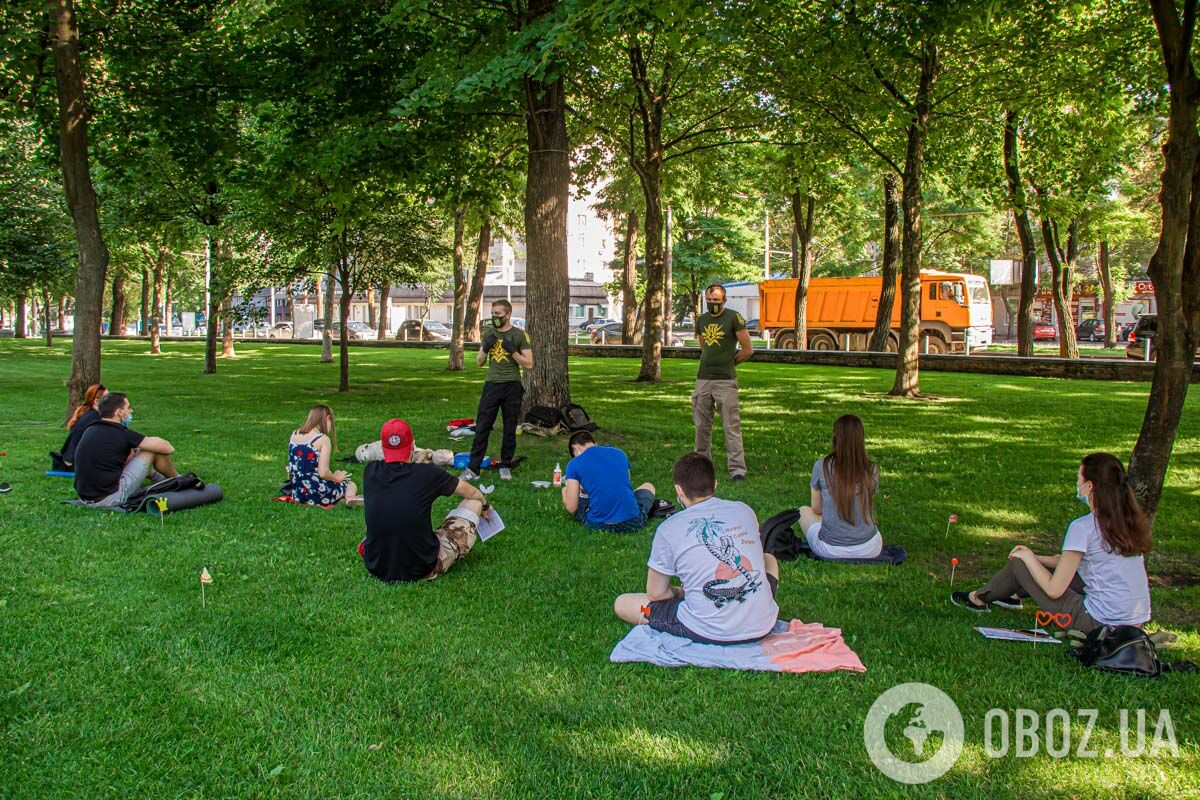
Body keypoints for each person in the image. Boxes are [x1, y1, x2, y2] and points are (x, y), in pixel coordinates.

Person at [951, 453, 1152, 635]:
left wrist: (1028, 558)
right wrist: (1037, 559)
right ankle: (1010, 595)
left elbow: (1054, 590)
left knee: (1020, 563)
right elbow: (1070, 563)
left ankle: (978, 598)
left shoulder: (1083, 527)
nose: (1077, 483)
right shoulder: (1128, 521)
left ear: (1089, 486)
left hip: (1097, 623)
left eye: (1078, 478)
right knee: (1033, 562)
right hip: (1134, 623)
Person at [614, 452, 780, 643]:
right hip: (763, 624)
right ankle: (757, 603)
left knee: (624, 604)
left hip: (705, 629)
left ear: (679, 490)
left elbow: (655, 593)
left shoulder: (668, 529)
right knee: (769, 560)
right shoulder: (744, 510)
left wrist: (679, 593)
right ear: (715, 484)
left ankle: (656, 614)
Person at [361, 418, 495, 582]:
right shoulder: (427, 474)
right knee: (475, 503)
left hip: (377, 565)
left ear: (382, 447)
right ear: (412, 445)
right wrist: (485, 505)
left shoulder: (370, 471)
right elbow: (471, 492)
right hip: (422, 566)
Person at [463, 299, 531, 482]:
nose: (495, 317)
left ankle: (505, 465)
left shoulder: (519, 335)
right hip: (492, 384)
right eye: (493, 314)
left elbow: (529, 363)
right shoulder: (489, 334)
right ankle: (473, 468)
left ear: (508, 315)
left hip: (512, 386)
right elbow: (479, 362)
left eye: (498, 314)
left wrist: (513, 352)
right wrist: (485, 347)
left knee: (510, 427)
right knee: (483, 426)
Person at [799, 415, 884, 560]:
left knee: (803, 511)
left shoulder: (822, 465)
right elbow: (867, 506)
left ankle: (836, 529)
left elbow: (817, 509)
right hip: (870, 548)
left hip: (830, 549)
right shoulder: (872, 468)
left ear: (835, 436)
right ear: (861, 438)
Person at [73, 392, 179, 507]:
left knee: (135, 450)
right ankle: (180, 480)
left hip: (85, 498)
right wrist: (150, 440)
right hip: (110, 499)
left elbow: (129, 456)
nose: (131, 411)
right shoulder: (122, 434)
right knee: (150, 450)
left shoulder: (91, 429)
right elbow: (168, 448)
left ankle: (159, 479)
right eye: (128, 408)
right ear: (119, 412)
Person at [692, 284, 753, 482]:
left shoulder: (734, 318)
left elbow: (747, 349)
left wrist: (730, 363)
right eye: (709, 300)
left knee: (731, 426)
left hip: (725, 381)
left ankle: (737, 470)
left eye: (716, 301)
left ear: (724, 300)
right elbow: (704, 347)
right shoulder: (701, 320)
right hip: (703, 379)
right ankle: (702, 466)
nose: (712, 304)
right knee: (701, 426)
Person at [561, 430, 656, 533]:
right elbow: (627, 482)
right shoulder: (620, 453)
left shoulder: (574, 463)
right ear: (595, 443)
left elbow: (572, 507)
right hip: (634, 522)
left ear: (576, 448)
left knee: (565, 490)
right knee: (648, 486)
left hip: (598, 525)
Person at [288, 405, 360, 506]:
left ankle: (342, 498)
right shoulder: (322, 439)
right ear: (327, 419)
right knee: (350, 484)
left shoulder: (295, 433)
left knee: (335, 476)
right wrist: (336, 478)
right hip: (317, 494)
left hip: (298, 493)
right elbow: (323, 473)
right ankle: (350, 499)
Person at [58, 383, 107, 469]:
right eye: (108, 398)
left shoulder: (89, 414)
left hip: (71, 459)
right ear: (96, 401)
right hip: (75, 463)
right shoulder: (95, 418)